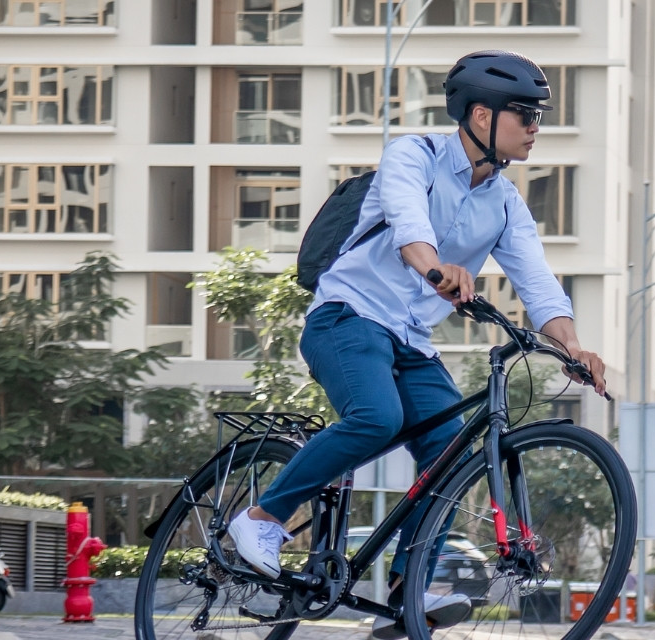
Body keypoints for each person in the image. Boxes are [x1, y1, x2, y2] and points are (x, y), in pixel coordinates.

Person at [227, 50, 607, 637]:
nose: (537, 127)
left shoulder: (505, 202)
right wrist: (436, 270)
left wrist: (574, 347)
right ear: (482, 115)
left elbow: (538, 283)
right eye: (526, 114)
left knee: (450, 444)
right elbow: (409, 225)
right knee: (377, 418)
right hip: (347, 316)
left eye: (539, 117)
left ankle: (410, 588)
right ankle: (262, 517)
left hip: (410, 338)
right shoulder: (415, 155)